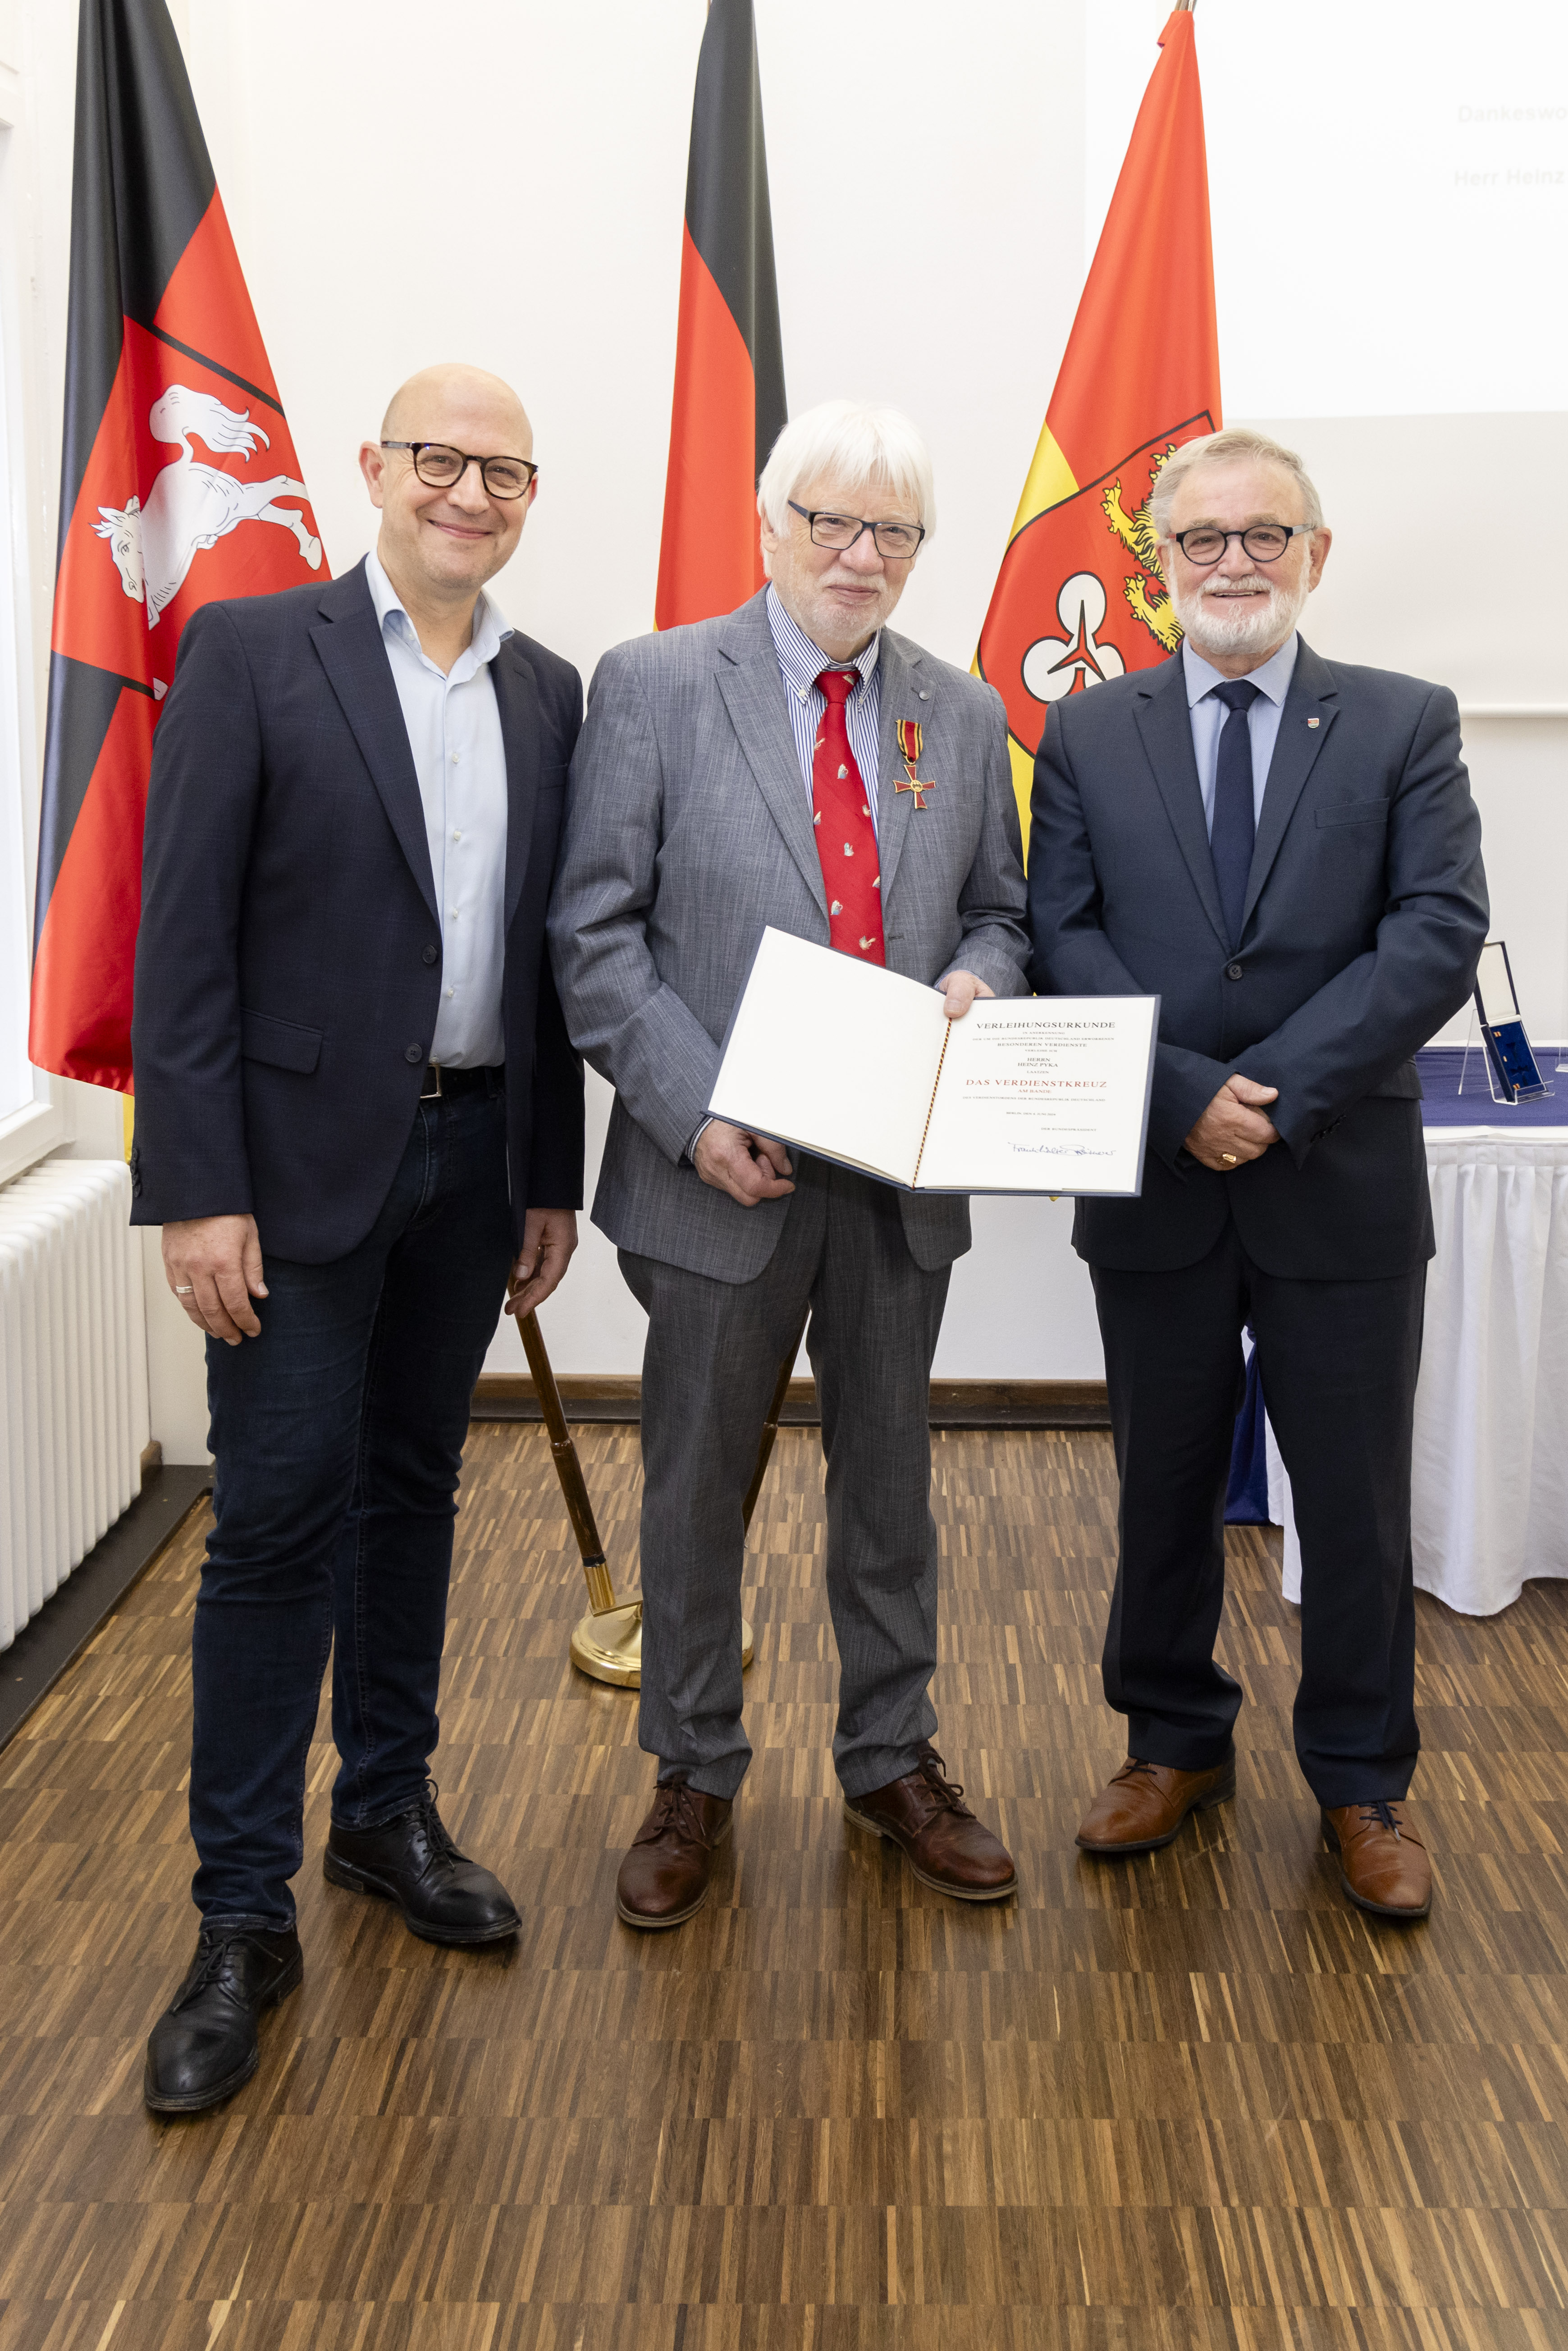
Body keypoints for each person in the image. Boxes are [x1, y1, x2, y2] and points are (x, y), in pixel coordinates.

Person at [130, 364, 585, 2111]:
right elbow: (184, 944)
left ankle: (385, 1811)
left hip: (476, 1160)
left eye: (505, 471)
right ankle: (239, 1915)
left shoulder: (547, 691)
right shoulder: (254, 654)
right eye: (441, 460)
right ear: (376, 470)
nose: (470, 492)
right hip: (292, 1174)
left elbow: (545, 959)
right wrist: (195, 1186)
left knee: (415, 1489)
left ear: (529, 499)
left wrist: (547, 1171)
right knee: (274, 1521)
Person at [550, 401, 1030, 1928]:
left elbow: (1001, 912)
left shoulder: (961, 712)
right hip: (715, 1174)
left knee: (890, 1488)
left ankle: (892, 1758)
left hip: (897, 1182)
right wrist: (697, 1112)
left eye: (893, 531)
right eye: (830, 520)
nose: (859, 554)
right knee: (696, 1489)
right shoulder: (652, 685)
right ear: (769, 525)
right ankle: (691, 1768)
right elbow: (595, 934)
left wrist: (985, 979)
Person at [1029, 426, 1487, 1921]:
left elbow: (1435, 931)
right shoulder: (1087, 732)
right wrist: (1182, 1098)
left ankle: (1361, 1780)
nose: (1233, 563)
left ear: (1315, 554)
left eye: (1263, 535)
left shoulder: (1404, 721)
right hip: (1157, 1181)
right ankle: (1171, 1743)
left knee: (1352, 1504)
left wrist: (1270, 1102)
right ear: (1160, 565)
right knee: (1161, 1488)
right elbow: (1061, 933)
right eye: (1202, 539)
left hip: (1337, 1179)